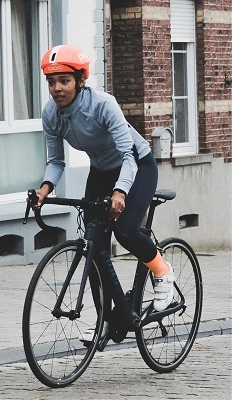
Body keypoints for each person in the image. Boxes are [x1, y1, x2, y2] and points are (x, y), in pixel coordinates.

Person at [35, 44, 175, 313]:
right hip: (100, 172)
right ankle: (106, 319)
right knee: (93, 245)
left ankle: (162, 270)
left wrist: (120, 192)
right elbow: (55, 161)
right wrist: (45, 188)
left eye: (64, 81)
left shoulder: (103, 105)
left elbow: (128, 156)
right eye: (51, 82)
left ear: (81, 80)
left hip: (137, 165)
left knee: (126, 230)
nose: (57, 89)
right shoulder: (51, 114)